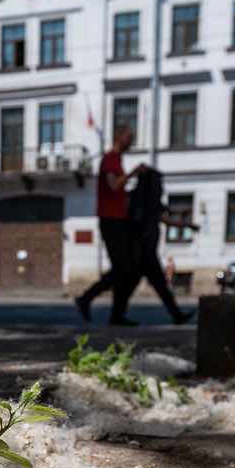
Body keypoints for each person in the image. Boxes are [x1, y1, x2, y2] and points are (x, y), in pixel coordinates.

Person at [74, 125, 146, 326]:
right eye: (128, 136)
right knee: (123, 267)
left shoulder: (117, 161)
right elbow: (113, 186)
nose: (131, 140)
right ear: (118, 136)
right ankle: (87, 298)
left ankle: (116, 314)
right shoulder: (109, 160)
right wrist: (133, 173)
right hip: (110, 219)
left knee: (126, 268)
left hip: (119, 220)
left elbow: (118, 190)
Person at [126, 167, 199, 325]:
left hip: (147, 251)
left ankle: (176, 314)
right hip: (145, 252)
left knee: (135, 284)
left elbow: (166, 219)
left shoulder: (147, 201)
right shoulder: (141, 201)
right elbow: (138, 225)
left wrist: (187, 225)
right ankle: (176, 314)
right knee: (149, 284)